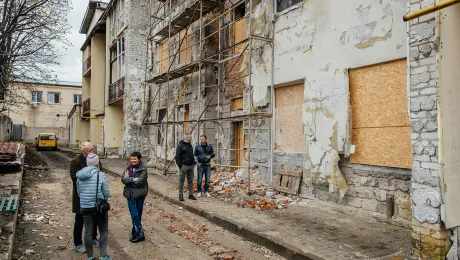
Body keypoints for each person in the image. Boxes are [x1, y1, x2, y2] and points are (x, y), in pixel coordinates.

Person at [76, 154, 111, 260]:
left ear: (87, 162)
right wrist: (105, 199)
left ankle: (90, 256)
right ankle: (103, 256)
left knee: (88, 232)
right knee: (103, 230)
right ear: (97, 163)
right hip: (99, 207)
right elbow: (106, 192)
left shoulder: (80, 175)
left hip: (85, 206)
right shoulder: (100, 175)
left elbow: (79, 192)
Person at [69, 142, 100, 253]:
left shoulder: (95, 159)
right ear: (84, 151)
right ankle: (78, 244)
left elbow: (100, 173)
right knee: (80, 220)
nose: (93, 152)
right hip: (81, 196)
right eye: (91, 150)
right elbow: (75, 179)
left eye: (93, 149)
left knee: (94, 218)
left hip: (94, 195)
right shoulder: (75, 162)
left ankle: (93, 238)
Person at [121, 152, 148, 243]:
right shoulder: (127, 168)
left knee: (138, 213)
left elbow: (141, 182)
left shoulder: (143, 168)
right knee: (134, 213)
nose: (132, 161)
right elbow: (123, 179)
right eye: (131, 159)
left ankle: (135, 231)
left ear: (139, 159)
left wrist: (129, 180)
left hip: (140, 194)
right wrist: (133, 179)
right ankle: (140, 233)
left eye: (134, 159)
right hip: (130, 194)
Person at [175, 134, 197, 201]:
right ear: (186, 138)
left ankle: (191, 194)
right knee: (181, 181)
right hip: (183, 166)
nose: (190, 138)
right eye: (189, 137)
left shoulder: (190, 145)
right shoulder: (180, 146)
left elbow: (191, 155)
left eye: (190, 137)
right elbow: (177, 157)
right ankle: (180, 195)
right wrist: (180, 166)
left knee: (190, 180)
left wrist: (194, 163)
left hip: (191, 166)